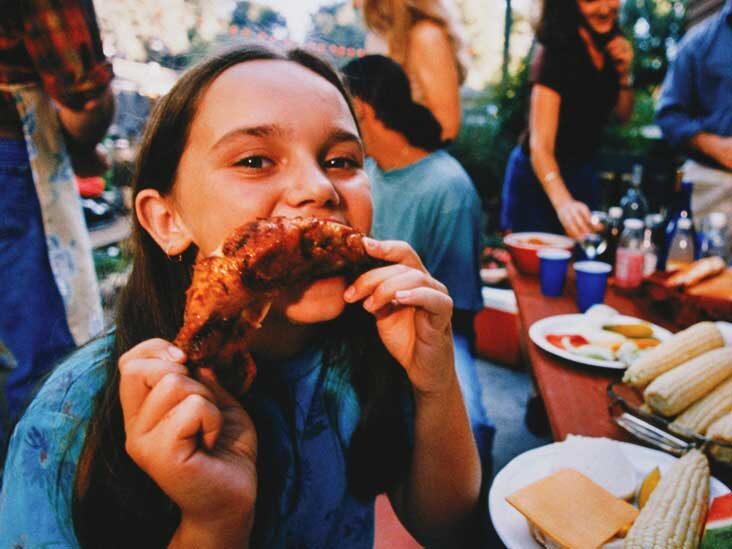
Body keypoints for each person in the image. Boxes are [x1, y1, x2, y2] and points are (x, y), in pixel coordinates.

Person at [0, 44, 483, 548]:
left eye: (341, 160)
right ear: (167, 221)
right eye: (255, 160)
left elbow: (444, 527)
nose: (320, 189)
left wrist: (435, 381)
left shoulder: (368, 348)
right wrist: (213, 524)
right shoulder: (68, 423)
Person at [341, 54, 494, 475]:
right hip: (354, 318)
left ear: (361, 112)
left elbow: (457, 307)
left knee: (473, 428)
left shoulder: (448, 188)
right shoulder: (362, 175)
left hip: (431, 325)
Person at [0, 0, 113, 428]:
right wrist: (89, 135)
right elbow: (82, 99)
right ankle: (40, 488)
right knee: (46, 354)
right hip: (12, 158)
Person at [500, 0, 635, 239]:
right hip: (539, 178)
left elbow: (622, 117)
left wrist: (624, 73)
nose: (604, 8)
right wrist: (563, 204)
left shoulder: (610, 47)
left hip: (583, 173)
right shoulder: (554, 51)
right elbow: (540, 147)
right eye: (591, 0)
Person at [655, 0, 732, 239]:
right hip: (712, 184)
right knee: (698, 271)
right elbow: (669, 115)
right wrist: (717, 147)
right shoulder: (699, 41)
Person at [354, 0, 466, 142]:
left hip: (416, 159)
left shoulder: (426, 35)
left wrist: (397, 152)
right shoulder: (377, 36)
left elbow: (448, 127)